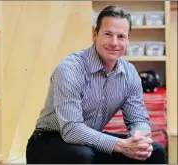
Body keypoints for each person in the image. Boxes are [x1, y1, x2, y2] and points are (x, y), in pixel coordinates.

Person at [26, 5, 166, 164]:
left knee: (154, 151)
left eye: (121, 36)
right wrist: (121, 145)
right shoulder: (71, 69)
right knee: (82, 155)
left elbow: (138, 119)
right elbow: (71, 130)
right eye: (108, 34)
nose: (114, 43)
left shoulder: (129, 73)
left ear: (128, 40)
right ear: (95, 34)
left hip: (89, 142)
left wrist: (139, 139)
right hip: (49, 141)